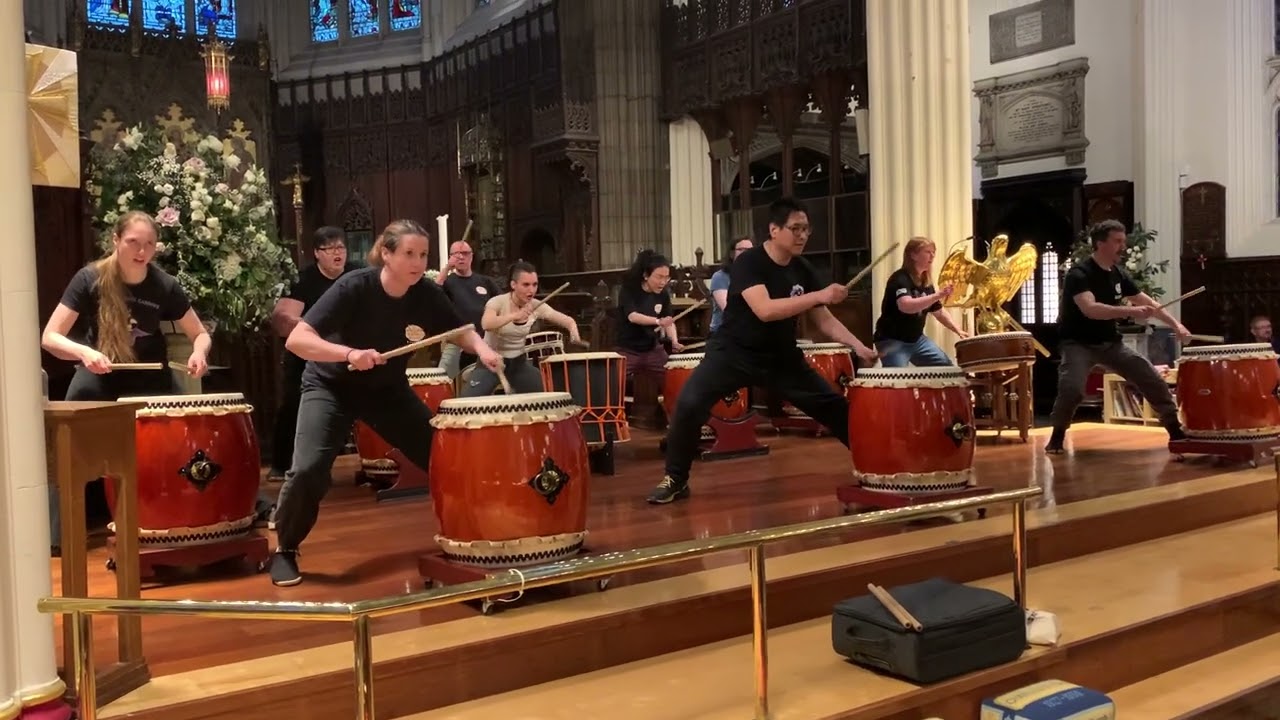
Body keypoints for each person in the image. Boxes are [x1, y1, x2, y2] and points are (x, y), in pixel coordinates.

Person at [269, 219, 502, 586]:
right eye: (408, 253)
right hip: (331, 387)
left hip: (386, 391)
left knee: (442, 456)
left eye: (422, 254)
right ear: (387, 253)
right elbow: (297, 340)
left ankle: (474, 530)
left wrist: (485, 349)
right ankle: (285, 548)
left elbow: (459, 331)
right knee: (309, 469)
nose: (416, 261)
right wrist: (348, 353)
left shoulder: (425, 293)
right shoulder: (354, 286)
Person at [647, 197, 878, 504]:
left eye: (806, 229)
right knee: (689, 404)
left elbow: (823, 319)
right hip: (734, 352)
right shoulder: (749, 263)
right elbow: (765, 310)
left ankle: (878, 466)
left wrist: (858, 346)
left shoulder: (803, 268)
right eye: (795, 228)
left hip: (780, 357)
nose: (803, 235)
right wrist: (820, 294)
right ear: (774, 229)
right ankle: (675, 478)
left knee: (835, 408)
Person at [40, 210, 211, 550]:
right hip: (98, 373)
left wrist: (199, 354)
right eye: (133, 242)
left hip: (149, 380)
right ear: (116, 241)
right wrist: (84, 354)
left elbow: (200, 333)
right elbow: (50, 337)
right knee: (65, 446)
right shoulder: (89, 278)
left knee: (176, 448)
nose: (141, 251)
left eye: (149, 244)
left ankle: (170, 524)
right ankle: (59, 539)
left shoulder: (164, 285)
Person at [1046, 219, 1190, 453]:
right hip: (1078, 344)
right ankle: (1056, 437)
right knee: (1072, 389)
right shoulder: (1079, 274)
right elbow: (1090, 310)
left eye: (1124, 241)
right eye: (1117, 241)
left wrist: (1176, 325)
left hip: (1110, 343)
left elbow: (1148, 303)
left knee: (1150, 377)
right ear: (1100, 243)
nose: (1123, 246)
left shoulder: (1118, 274)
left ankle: (1175, 431)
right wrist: (1130, 311)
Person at [267, 227, 361, 482]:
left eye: (340, 247)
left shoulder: (357, 273)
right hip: (307, 355)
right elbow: (282, 318)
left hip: (348, 353)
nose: (337, 253)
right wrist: (312, 330)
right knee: (292, 406)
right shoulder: (305, 280)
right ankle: (281, 464)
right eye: (330, 249)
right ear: (317, 254)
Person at [463, 261, 582, 396]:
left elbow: (568, 321)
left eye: (534, 285)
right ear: (513, 285)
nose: (531, 290)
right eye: (526, 285)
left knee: (547, 398)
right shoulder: (497, 302)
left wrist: (574, 334)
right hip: (491, 362)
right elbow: (486, 324)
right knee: (466, 402)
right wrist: (514, 315)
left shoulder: (537, 306)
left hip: (518, 363)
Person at [873, 236, 969, 366]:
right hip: (892, 341)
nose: (932, 256)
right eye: (928, 252)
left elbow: (939, 312)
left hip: (917, 340)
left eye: (933, 252)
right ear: (913, 255)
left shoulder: (926, 283)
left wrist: (958, 330)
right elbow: (905, 306)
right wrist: (938, 295)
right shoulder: (900, 278)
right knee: (897, 380)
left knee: (945, 369)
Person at [435, 239, 501, 379]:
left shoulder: (485, 281)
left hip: (486, 341)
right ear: (450, 257)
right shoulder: (448, 282)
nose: (461, 257)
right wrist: (447, 268)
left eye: (465, 253)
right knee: (442, 379)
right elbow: (433, 295)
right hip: (457, 342)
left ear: (471, 256)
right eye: (456, 254)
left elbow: (502, 302)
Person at [615, 249, 683, 374]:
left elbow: (668, 321)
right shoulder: (629, 290)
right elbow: (633, 316)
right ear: (646, 275)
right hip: (628, 350)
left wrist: (674, 340)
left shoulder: (663, 294)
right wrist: (657, 321)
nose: (663, 282)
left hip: (653, 349)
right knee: (614, 383)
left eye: (666, 277)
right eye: (659, 277)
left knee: (673, 376)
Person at [709, 237, 754, 333]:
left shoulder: (757, 275)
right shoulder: (720, 277)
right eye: (741, 249)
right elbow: (728, 308)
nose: (746, 253)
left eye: (750, 250)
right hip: (724, 333)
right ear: (732, 253)